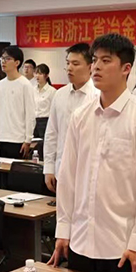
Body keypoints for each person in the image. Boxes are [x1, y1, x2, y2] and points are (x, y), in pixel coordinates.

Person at [48, 33, 136, 272]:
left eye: (106, 60)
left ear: (126, 68)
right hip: (79, 241)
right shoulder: (81, 116)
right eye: (95, 60)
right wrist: (63, 229)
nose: (96, 66)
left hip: (121, 247)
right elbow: (68, 177)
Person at [43, 42, 97, 193]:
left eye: (75, 63)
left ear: (90, 66)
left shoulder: (98, 96)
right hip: (61, 168)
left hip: (89, 172)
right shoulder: (59, 94)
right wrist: (49, 168)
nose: (69, 68)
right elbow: (52, 133)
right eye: (67, 63)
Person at [0, 45, 36, 159]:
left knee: (14, 169)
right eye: (2, 58)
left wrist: (28, 139)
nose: (3, 61)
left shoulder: (25, 84)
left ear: (17, 63)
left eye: (7, 59)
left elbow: (30, 114)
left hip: (17, 139)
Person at [33, 63, 56, 141]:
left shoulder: (52, 91)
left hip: (45, 121)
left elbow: (54, 110)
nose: (37, 76)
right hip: (33, 121)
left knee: (44, 143)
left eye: (40, 74)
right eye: (36, 73)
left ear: (46, 76)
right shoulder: (32, 90)